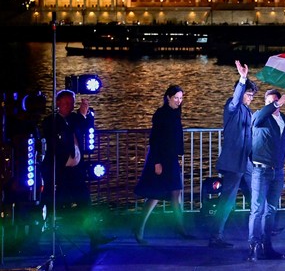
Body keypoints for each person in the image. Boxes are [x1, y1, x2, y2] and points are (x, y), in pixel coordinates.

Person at [40, 89, 115, 249]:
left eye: (71, 103)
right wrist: (81, 116)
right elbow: (63, 134)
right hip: (60, 172)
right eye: (66, 103)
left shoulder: (75, 118)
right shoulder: (51, 121)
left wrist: (86, 113)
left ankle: (94, 236)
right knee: (53, 203)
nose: (69, 106)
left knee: (85, 203)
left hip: (76, 171)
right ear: (58, 104)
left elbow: (87, 126)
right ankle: (41, 231)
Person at [132, 84, 193, 244]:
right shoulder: (161, 114)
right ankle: (140, 227)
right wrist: (157, 162)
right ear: (168, 98)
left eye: (181, 98)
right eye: (176, 98)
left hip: (171, 158)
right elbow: (155, 139)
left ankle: (180, 227)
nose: (179, 101)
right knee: (155, 195)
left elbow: (175, 137)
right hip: (161, 158)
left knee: (175, 193)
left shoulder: (175, 113)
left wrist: (179, 155)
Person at [208, 60, 256, 249]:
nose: (251, 98)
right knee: (227, 201)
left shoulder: (248, 111)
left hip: (246, 162)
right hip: (233, 163)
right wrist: (243, 78)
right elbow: (236, 99)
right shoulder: (232, 106)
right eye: (249, 95)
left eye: (252, 95)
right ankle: (215, 236)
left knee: (256, 196)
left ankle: (262, 227)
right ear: (241, 92)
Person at [247, 88, 285, 261]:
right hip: (261, 170)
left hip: (277, 172)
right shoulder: (260, 118)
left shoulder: (284, 121)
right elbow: (260, 115)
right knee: (257, 210)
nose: (272, 105)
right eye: (268, 102)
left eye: (275, 102)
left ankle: (267, 246)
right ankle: (253, 247)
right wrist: (275, 103)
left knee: (270, 210)